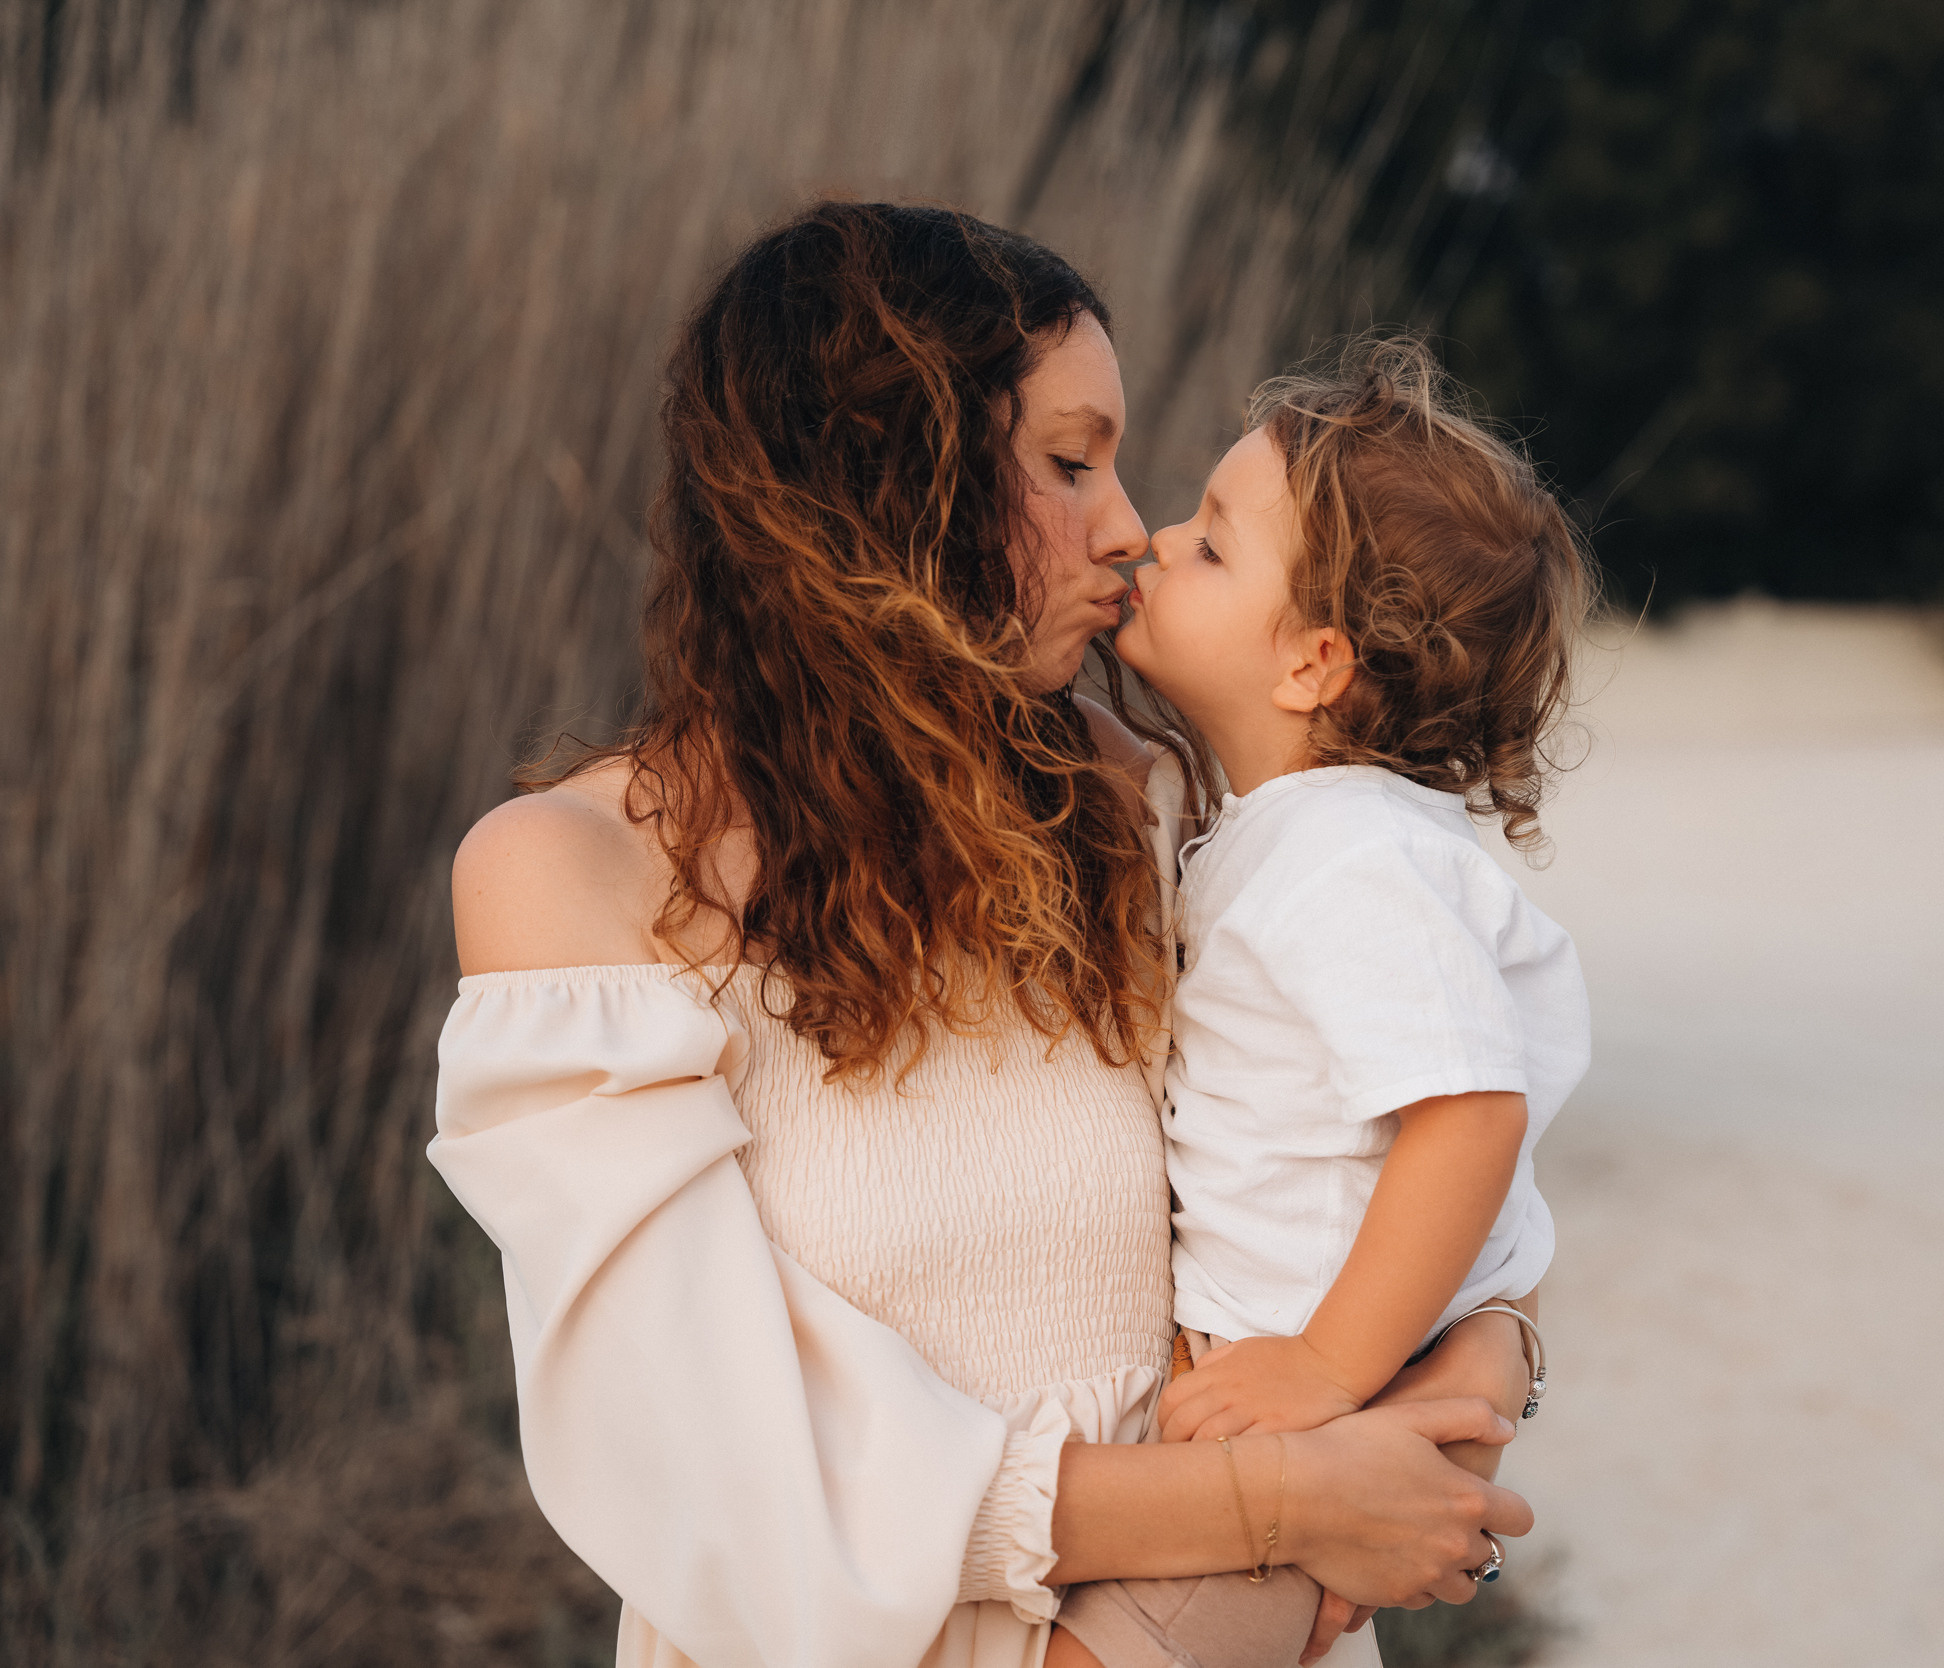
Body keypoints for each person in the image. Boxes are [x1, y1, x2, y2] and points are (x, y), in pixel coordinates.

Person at [427, 202, 1536, 1668]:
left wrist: (1489, 1361)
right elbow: (717, 1480)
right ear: (890, 482)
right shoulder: (574, 880)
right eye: (1070, 462)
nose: (1130, 528)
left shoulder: (1129, 803)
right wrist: (1279, 1500)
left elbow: (1387, 1148)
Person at [1051, 339, 1588, 1668]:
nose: (1156, 540)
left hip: (1308, 1434)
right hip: (1293, 1425)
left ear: (1315, 664)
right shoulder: (1295, 837)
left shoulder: (1353, 861)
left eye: (1214, 546)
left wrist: (1328, 1372)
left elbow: (1470, 1117)